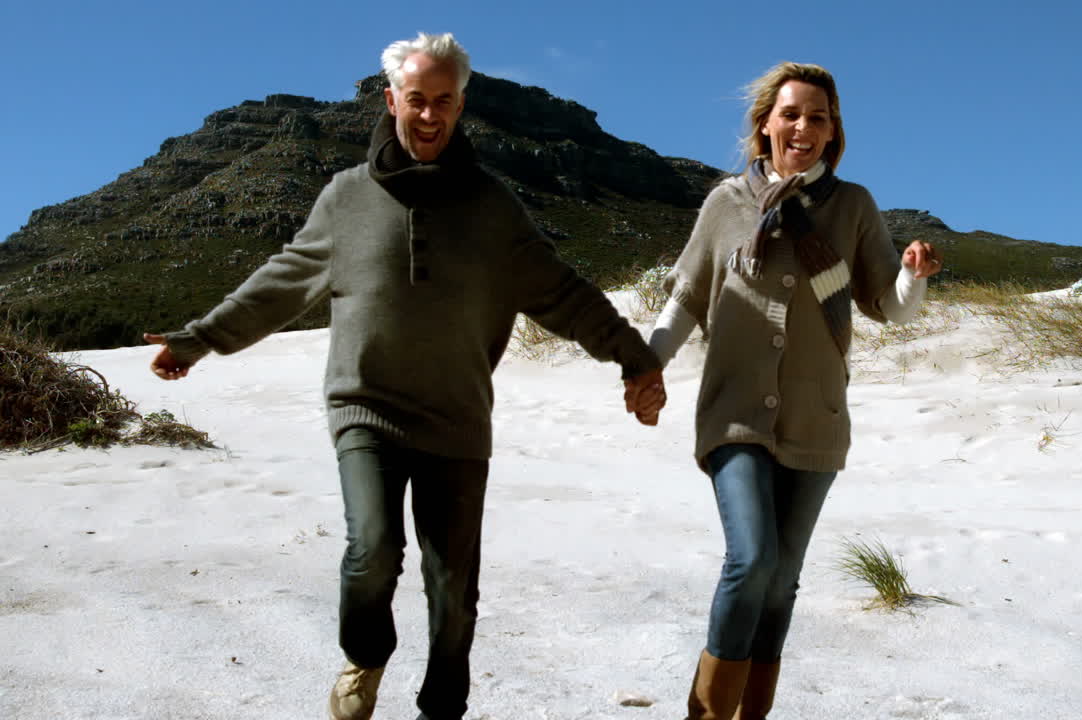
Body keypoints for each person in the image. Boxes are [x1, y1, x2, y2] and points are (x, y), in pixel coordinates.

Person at [143, 32, 666, 720]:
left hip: (457, 418)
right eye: (415, 100)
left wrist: (633, 357)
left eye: (443, 102)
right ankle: (366, 656)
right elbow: (280, 285)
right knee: (373, 549)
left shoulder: (493, 206)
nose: (428, 116)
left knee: (454, 589)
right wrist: (198, 340)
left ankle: (441, 707)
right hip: (366, 407)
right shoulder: (345, 199)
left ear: (461, 105)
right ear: (391, 101)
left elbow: (563, 293)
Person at [643, 62, 943, 719]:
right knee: (751, 561)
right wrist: (649, 365)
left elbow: (886, 305)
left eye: (819, 116)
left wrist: (913, 278)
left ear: (833, 132)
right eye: (792, 114)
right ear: (764, 125)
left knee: (780, 585)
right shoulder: (727, 205)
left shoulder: (853, 206)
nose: (804, 127)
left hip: (817, 420)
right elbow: (688, 297)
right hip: (734, 417)